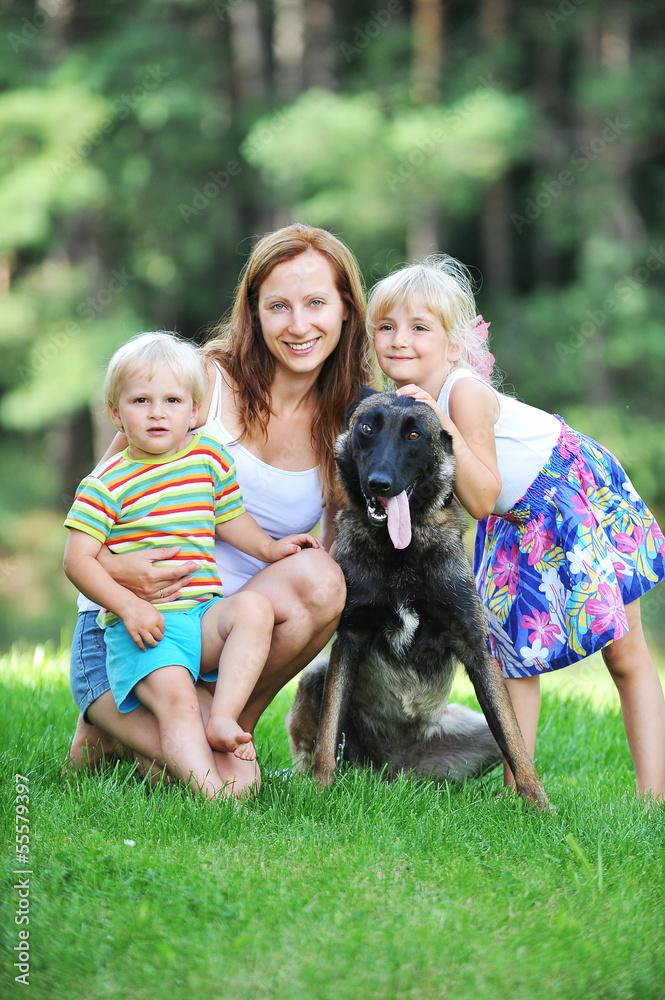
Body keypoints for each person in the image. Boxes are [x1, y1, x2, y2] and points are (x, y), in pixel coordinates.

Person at [66, 223, 379, 797]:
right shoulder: (199, 383)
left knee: (322, 578)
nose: (299, 324)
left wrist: (430, 410)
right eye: (278, 305)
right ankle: (111, 717)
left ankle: (227, 723)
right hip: (136, 626)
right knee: (217, 786)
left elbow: (336, 571)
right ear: (254, 311)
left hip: (220, 632)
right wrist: (120, 572)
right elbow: (99, 496)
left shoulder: (346, 424)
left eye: (316, 303)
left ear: (345, 312)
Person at [367, 254, 665, 801]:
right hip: (515, 521)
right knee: (510, 661)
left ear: (453, 344)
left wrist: (443, 425)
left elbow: (479, 496)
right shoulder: (404, 405)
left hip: (570, 493)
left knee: (624, 653)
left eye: (418, 327)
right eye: (385, 327)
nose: (398, 340)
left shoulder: (462, 394)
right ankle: (517, 795)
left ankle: (655, 799)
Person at [64, 332, 323, 799]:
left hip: (200, 617)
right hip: (147, 629)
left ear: (195, 411)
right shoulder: (106, 482)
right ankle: (212, 797)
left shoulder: (206, 457)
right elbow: (76, 559)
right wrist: (128, 606)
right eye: (141, 400)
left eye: (172, 400)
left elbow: (231, 520)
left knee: (253, 610)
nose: (158, 412)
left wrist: (270, 549)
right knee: (185, 717)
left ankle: (225, 715)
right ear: (116, 414)